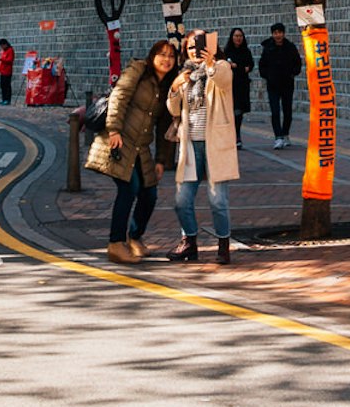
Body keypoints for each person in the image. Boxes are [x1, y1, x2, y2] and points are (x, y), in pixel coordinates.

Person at [85, 39, 177, 264]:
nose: (166, 59)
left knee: (150, 193)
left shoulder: (168, 86)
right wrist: (114, 129)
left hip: (140, 147)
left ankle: (135, 238)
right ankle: (116, 244)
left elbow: (165, 126)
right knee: (129, 189)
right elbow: (119, 97)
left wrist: (161, 160)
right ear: (152, 55)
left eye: (171, 56)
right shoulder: (138, 70)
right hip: (117, 140)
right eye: (162, 54)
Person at [165, 29, 237, 265]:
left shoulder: (221, 66)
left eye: (199, 46)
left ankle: (223, 245)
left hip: (215, 144)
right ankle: (190, 243)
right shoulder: (185, 75)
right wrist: (175, 88)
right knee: (182, 200)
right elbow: (174, 110)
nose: (194, 52)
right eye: (190, 48)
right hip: (190, 145)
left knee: (217, 200)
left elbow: (223, 80)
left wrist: (210, 63)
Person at [259, 22, 303, 150]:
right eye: (275, 33)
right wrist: (267, 75)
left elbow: (297, 63)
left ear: (283, 33)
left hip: (287, 84)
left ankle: (285, 133)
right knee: (275, 111)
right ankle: (278, 137)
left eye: (280, 32)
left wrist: (292, 73)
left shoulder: (290, 47)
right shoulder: (267, 47)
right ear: (272, 34)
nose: (277, 35)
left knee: (287, 110)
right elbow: (262, 65)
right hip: (273, 84)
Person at [220, 27, 254, 134]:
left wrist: (237, 66)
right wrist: (241, 68)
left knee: (239, 112)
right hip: (231, 85)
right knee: (232, 111)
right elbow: (227, 66)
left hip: (242, 85)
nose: (238, 38)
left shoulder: (246, 51)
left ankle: (237, 134)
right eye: (236, 36)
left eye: (240, 36)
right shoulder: (227, 51)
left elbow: (250, 66)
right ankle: (233, 134)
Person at [0, 38, 15, 105]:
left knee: (7, 86)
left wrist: (2, 59)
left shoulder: (10, 50)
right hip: (2, 70)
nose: (1, 47)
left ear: (5, 44)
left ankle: (7, 99)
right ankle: (3, 98)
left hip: (7, 71)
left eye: (2, 46)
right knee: (2, 85)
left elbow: (10, 60)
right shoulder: (3, 51)